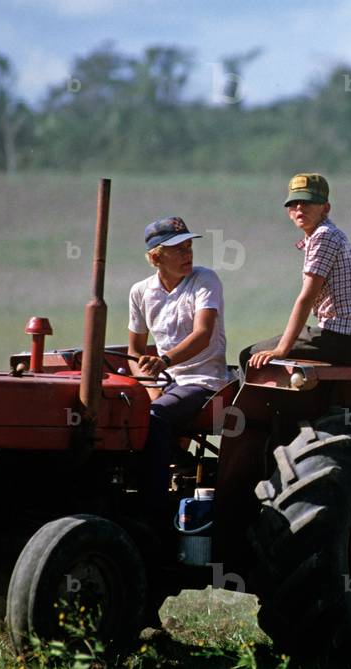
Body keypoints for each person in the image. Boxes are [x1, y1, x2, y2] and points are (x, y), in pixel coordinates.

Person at [128, 216, 229, 520]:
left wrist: (165, 361)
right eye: (178, 249)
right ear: (156, 257)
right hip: (166, 383)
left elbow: (203, 334)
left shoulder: (205, 280)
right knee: (122, 415)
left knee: (156, 416)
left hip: (204, 381)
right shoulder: (140, 292)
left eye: (188, 247)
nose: (188, 254)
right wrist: (149, 384)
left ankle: (152, 511)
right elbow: (134, 351)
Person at [241, 173, 351, 370]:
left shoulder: (324, 235)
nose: (299, 208)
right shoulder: (323, 235)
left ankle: (246, 402)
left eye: (308, 202)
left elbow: (306, 297)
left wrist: (281, 349)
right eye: (294, 203)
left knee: (250, 356)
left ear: (325, 208)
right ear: (288, 212)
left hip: (344, 339)